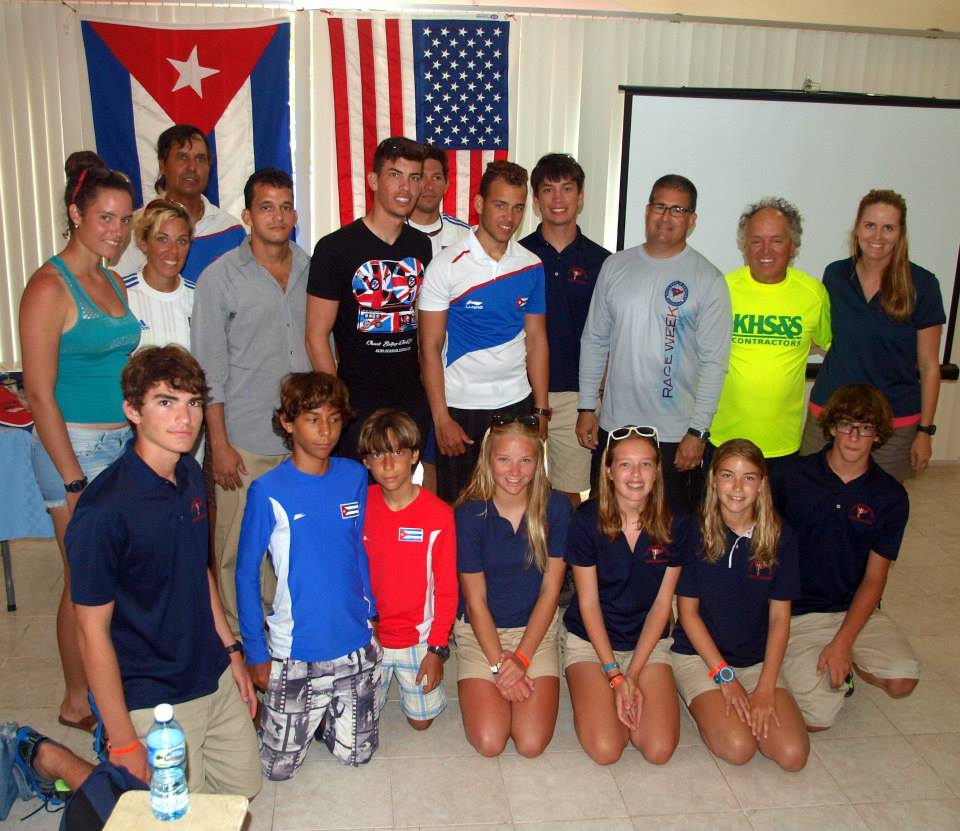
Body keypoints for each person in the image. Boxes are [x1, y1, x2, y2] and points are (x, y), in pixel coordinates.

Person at [66, 345, 261, 796]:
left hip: (209, 672)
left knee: (243, 793)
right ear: (132, 411)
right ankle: (52, 758)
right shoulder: (102, 512)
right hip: (153, 697)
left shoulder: (191, 473)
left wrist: (231, 653)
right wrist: (122, 740)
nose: (185, 419)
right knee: (172, 816)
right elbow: (90, 633)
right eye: (166, 402)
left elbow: (199, 570)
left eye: (193, 403)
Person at [21, 157, 141, 734]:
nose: (116, 231)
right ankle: (75, 699)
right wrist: (72, 480)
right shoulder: (49, 286)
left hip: (120, 445)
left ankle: (110, 678)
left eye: (123, 220)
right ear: (76, 213)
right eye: (105, 218)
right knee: (84, 581)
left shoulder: (112, 278)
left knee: (114, 575)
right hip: (72, 449)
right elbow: (39, 395)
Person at [236, 372, 381, 777]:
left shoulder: (353, 476)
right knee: (277, 770)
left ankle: (329, 719)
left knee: (358, 755)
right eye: (312, 419)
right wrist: (256, 652)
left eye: (334, 419)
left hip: (353, 639)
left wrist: (371, 617)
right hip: (296, 648)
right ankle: (295, 714)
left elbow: (357, 548)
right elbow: (246, 574)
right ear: (287, 423)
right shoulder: (267, 491)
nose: (325, 431)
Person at [191, 168, 311, 636]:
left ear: (295, 214)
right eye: (266, 207)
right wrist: (218, 443)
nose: (277, 216)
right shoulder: (218, 279)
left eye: (285, 206)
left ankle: (284, 635)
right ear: (247, 216)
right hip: (244, 439)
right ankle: (240, 642)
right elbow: (208, 373)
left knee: (290, 547)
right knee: (238, 550)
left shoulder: (311, 268)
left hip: (302, 439)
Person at [577, 174, 731, 515]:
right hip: (615, 426)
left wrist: (698, 432)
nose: (666, 216)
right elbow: (595, 340)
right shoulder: (615, 266)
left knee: (669, 531)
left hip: (676, 435)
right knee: (608, 524)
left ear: (692, 220)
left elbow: (714, 362)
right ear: (647, 211)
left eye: (677, 209)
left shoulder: (708, 279)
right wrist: (587, 406)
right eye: (659, 206)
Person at [773, 384, 919, 731]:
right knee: (817, 720)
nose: (853, 436)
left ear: (878, 435)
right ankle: (797, 662)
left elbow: (874, 578)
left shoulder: (890, 496)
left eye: (865, 427)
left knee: (903, 680)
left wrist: (843, 642)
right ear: (831, 427)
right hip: (799, 613)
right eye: (846, 425)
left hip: (853, 611)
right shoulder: (791, 477)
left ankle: (845, 661)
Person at [670, 439, 809, 770]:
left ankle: (747, 700)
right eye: (727, 475)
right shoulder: (692, 532)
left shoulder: (780, 537)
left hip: (756, 661)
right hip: (701, 658)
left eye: (748, 477)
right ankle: (702, 706)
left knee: (792, 756)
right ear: (713, 480)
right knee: (739, 748)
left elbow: (780, 619)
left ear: (762, 484)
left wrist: (764, 688)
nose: (736, 487)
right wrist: (725, 678)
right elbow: (688, 615)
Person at [420, 161, 550, 503]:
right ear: (479, 205)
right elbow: (429, 349)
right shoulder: (445, 266)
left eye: (518, 207)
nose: (509, 216)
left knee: (516, 507)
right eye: (500, 205)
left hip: (516, 403)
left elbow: (536, 341)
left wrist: (541, 408)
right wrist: (441, 418)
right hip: (461, 409)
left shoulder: (531, 265)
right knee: (462, 511)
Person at [563, 425, 693, 765]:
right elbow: (588, 603)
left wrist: (632, 675)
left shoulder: (676, 522)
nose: (636, 475)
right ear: (608, 470)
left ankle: (629, 685)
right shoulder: (586, 520)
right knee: (608, 749)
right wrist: (614, 674)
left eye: (646, 464)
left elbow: (663, 605)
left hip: (647, 645)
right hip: (592, 643)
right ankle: (598, 688)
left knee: (658, 749)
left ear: (657, 471)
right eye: (625, 465)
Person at [801, 190, 945, 481]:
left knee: (875, 511)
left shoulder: (923, 284)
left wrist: (925, 431)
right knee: (811, 500)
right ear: (856, 228)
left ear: (900, 233)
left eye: (888, 227)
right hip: (829, 415)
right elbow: (825, 336)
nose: (877, 235)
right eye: (870, 225)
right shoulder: (835, 275)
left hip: (893, 421)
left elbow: (930, 367)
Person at [306, 136, 433, 461]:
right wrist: (337, 405)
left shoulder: (422, 246)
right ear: (374, 180)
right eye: (395, 174)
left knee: (400, 499)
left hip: (409, 399)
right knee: (357, 500)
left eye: (414, 177)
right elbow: (316, 335)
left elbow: (423, 327)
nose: (405, 186)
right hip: (356, 401)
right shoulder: (335, 248)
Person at [454, 417, 570, 757]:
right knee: (490, 742)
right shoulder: (469, 513)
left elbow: (551, 592)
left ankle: (520, 669)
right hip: (481, 633)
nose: (515, 471)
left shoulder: (558, 508)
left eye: (526, 460)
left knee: (531, 744)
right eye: (504, 459)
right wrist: (498, 665)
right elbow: (475, 601)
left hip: (535, 633)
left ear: (539, 463)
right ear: (488, 460)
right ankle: (489, 675)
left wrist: (521, 658)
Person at [709, 198, 830, 466]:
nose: (766, 250)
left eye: (776, 240)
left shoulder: (814, 294)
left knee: (775, 510)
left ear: (793, 245)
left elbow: (826, 343)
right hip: (722, 437)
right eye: (756, 240)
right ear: (744, 245)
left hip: (782, 444)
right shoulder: (721, 289)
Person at [520, 153, 610, 507]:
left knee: (568, 496)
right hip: (520, 392)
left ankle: (563, 564)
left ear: (581, 197)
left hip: (577, 396)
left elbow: (609, 333)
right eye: (548, 190)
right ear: (536, 198)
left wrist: (595, 394)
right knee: (517, 490)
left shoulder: (603, 262)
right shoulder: (517, 256)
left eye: (567, 189)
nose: (558, 199)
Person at [358, 409, 457, 730]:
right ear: (366, 461)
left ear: (415, 455)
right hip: (369, 638)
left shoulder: (438, 514)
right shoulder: (358, 506)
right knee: (361, 722)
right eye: (378, 454)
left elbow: (446, 587)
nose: (387, 465)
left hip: (418, 638)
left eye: (397, 453)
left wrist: (437, 649)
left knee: (421, 723)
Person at [114, 124, 246, 284]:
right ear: (162, 165)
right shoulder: (136, 227)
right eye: (182, 157)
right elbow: (119, 292)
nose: (192, 167)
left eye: (200, 159)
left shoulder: (230, 230)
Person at [124, 198, 195, 350]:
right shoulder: (122, 295)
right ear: (143, 243)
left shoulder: (199, 298)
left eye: (181, 241)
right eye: (163, 239)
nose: (173, 251)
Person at [408, 143, 471, 254]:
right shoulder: (391, 233)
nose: (429, 186)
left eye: (436, 178)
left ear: (446, 184)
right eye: (421, 177)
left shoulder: (466, 236)